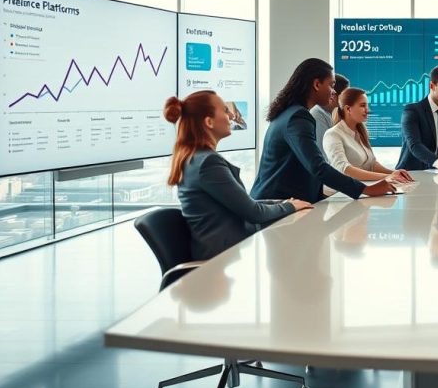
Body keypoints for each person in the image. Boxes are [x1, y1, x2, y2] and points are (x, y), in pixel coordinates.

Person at [163, 90, 312, 261]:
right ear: (209, 122)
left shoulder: (195, 159)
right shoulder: (207, 163)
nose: (232, 115)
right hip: (220, 259)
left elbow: (245, 204)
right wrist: (291, 207)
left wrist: (285, 203)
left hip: (224, 253)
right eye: (225, 110)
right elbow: (253, 213)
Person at [251, 58, 395, 203]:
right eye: (331, 85)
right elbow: (317, 166)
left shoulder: (289, 113)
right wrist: (366, 190)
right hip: (275, 205)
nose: (334, 92)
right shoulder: (298, 117)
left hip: (282, 201)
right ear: (317, 84)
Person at [322, 87, 413, 183]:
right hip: (338, 193)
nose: (367, 110)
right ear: (348, 109)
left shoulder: (360, 132)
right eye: (362, 105)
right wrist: (386, 176)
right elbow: (344, 169)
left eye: (367, 106)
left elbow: (372, 164)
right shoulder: (333, 135)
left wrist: (394, 173)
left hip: (362, 188)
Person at [311, 73, 348, 146]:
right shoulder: (318, 115)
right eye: (345, 95)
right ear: (334, 95)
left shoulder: (327, 113)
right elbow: (323, 150)